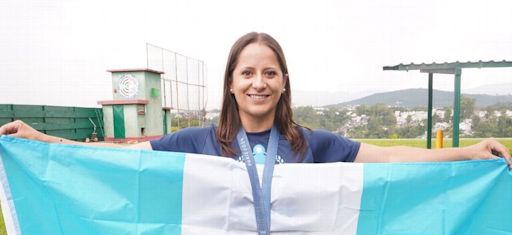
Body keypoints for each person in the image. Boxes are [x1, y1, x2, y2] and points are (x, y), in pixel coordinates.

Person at [0, 32, 510, 167]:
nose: (258, 82)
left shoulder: (314, 143)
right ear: (231, 82)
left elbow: (395, 156)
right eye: (248, 72)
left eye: (269, 72)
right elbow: (125, 157)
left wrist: (467, 151)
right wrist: (44, 141)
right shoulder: (197, 141)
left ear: (284, 82)